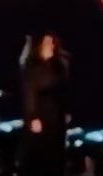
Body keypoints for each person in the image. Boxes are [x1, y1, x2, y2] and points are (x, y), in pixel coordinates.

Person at [20, 34, 70, 176]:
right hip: (40, 113)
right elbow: (29, 92)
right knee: (38, 154)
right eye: (47, 42)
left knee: (55, 154)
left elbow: (65, 90)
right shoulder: (32, 65)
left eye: (52, 43)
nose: (50, 46)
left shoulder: (58, 65)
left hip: (56, 115)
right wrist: (33, 116)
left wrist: (67, 111)